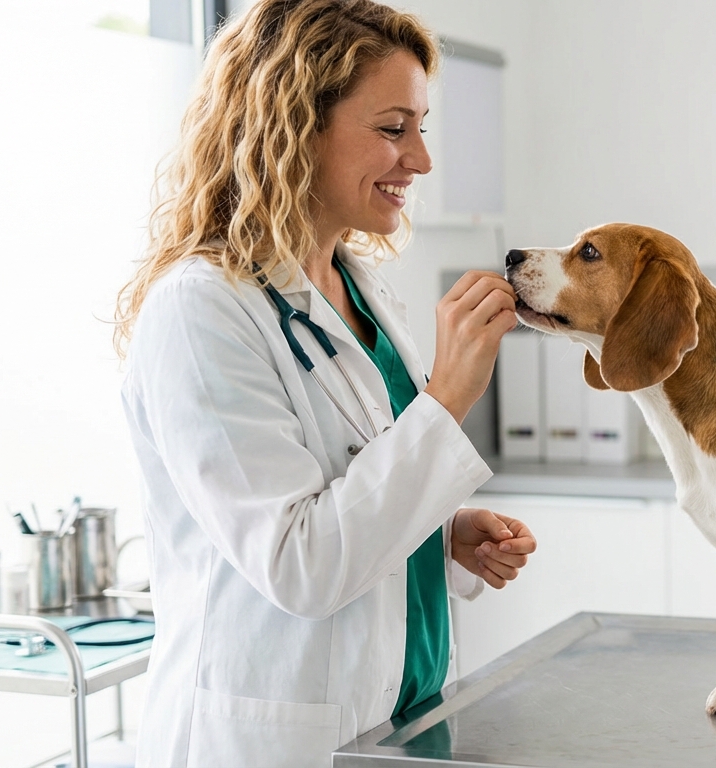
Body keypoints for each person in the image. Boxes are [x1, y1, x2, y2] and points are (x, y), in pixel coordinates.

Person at [113, 2, 533, 765]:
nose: (421, 161)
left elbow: (357, 485)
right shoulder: (199, 309)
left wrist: (440, 534)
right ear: (292, 124)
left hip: (401, 726)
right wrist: (448, 398)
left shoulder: (361, 287)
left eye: (421, 128)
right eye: (392, 127)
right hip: (271, 740)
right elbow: (299, 565)